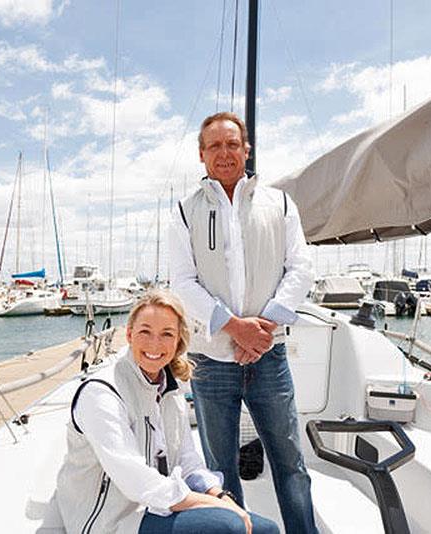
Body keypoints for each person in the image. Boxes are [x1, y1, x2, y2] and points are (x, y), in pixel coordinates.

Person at [169, 112, 318, 533]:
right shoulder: (185, 212)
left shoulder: (280, 203)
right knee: (221, 473)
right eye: (214, 146)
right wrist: (236, 328)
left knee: (291, 465)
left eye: (232, 144)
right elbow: (182, 282)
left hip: (269, 357)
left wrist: (263, 327)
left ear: (246, 149)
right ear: (202, 155)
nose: (224, 153)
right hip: (211, 362)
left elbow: (300, 269)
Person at [56, 290, 280, 534]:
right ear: (129, 334)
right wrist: (216, 506)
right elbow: (135, 481)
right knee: (229, 526)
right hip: (110, 522)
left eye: (167, 334)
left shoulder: (171, 392)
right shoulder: (101, 392)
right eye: (145, 331)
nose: (155, 343)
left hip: (155, 508)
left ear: (178, 342)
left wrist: (221, 496)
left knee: (265, 530)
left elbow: (188, 462)